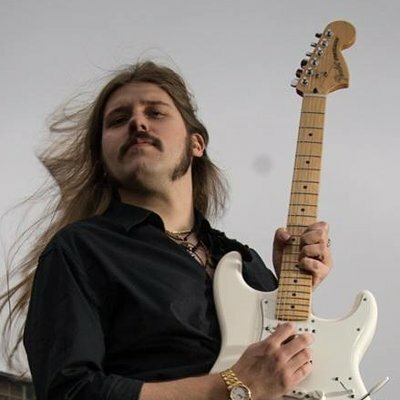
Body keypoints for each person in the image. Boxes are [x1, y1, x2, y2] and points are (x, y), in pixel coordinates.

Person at [5, 61, 332, 400]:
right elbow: (70, 392)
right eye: (117, 120)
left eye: (156, 113)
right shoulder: (80, 249)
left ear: (196, 144)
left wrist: (291, 287)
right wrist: (232, 387)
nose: (137, 122)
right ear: (102, 157)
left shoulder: (245, 262)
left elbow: (288, 373)